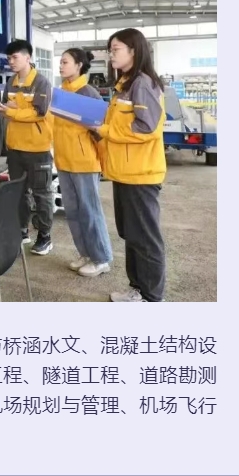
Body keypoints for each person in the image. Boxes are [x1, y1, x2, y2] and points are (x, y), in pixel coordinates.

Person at [96, 28, 167, 302]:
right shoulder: (125, 84)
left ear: (134, 51)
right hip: (125, 173)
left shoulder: (143, 84)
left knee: (146, 239)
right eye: (110, 50)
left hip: (141, 175)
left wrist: (105, 131)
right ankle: (137, 289)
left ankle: (152, 297)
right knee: (132, 235)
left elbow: (147, 128)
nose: (111, 54)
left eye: (116, 49)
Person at [54, 48, 113, 277]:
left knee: (90, 211)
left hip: (84, 162)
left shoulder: (88, 93)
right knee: (73, 212)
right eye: (60, 62)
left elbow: (100, 132)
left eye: (65, 62)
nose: (61, 66)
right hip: (64, 160)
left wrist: (104, 162)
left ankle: (101, 258)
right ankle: (86, 253)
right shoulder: (61, 92)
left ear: (79, 65)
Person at [0, 39, 54, 255]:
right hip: (15, 148)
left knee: (41, 194)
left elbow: (39, 112)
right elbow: (10, 108)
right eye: (9, 58)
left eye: (15, 57)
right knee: (19, 193)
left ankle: (45, 236)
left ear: (27, 57)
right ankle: (22, 231)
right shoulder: (11, 82)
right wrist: (6, 108)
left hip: (38, 148)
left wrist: (12, 110)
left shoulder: (41, 83)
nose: (11, 61)